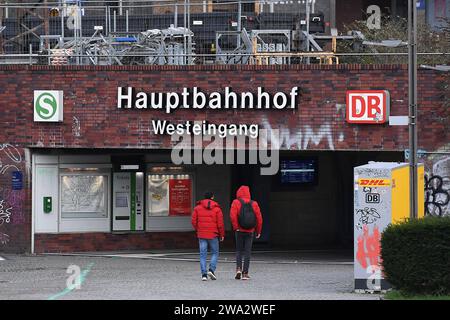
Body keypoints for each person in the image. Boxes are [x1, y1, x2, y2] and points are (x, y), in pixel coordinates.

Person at [230, 185, 263, 280]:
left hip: (239, 230)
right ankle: (245, 273)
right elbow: (259, 218)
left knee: (239, 250)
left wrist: (236, 227)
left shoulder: (236, 202)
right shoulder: (254, 203)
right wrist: (258, 231)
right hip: (250, 231)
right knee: (247, 251)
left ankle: (238, 269)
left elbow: (233, 216)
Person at [191, 191, 225, 281]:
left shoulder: (197, 208)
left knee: (203, 255)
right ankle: (211, 270)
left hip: (201, 234)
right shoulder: (217, 209)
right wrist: (222, 234)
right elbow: (220, 224)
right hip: (213, 234)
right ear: (212, 197)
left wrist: (198, 229)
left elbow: (193, 221)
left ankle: (204, 275)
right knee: (215, 253)